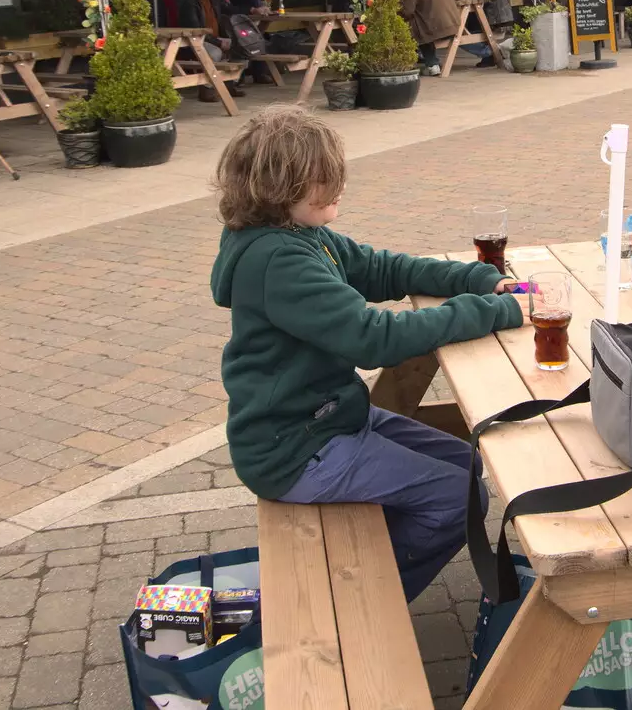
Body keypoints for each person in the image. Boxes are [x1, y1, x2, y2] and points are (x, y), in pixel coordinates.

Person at [211, 106, 526, 601]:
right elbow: (375, 338)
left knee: (465, 465)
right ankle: (362, 602)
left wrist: (478, 278)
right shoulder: (277, 260)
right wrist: (493, 311)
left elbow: (382, 269)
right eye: (324, 179)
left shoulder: (301, 234)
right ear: (281, 187)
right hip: (295, 448)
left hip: (329, 419)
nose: (339, 188)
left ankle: (373, 550)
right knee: (457, 498)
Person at [188, 0, 246, 104]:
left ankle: (230, 83)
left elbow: (232, 9)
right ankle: (207, 89)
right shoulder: (190, 4)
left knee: (244, 48)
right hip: (199, 41)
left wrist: (253, 9)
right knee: (215, 53)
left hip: (216, 38)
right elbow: (196, 31)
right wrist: (218, 42)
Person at [401, 0, 464, 77]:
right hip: (454, 25)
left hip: (432, 31)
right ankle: (488, 51)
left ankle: (432, 64)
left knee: (417, 26)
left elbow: (407, 11)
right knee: (424, 24)